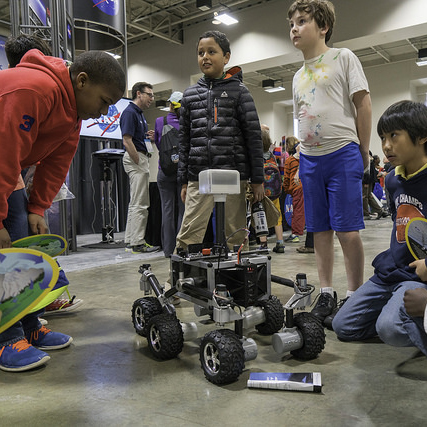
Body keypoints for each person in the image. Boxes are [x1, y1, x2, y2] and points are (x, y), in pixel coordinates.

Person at [0, 47, 126, 372]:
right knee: (5, 245)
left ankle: (29, 325)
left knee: (20, 238)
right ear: (82, 81)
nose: (104, 112)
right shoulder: (34, 89)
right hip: (2, 159)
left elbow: (57, 164)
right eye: (104, 102)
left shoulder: (73, 114)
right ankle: (5, 338)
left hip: (7, 164)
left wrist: (38, 207)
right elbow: (4, 155)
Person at [288, 0, 372, 327]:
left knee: (347, 230)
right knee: (318, 230)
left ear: (323, 27)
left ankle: (354, 294)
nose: (294, 27)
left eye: (302, 21)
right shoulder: (296, 77)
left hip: (342, 153)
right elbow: (302, 119)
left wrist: (362, 150)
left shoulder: (343, 58)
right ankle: (326, 292)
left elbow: (362, 104)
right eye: (291, 23)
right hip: (309, 159)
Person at [333, 100, 427, 356]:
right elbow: (399, 223)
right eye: (383, 137)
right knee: (343, 326)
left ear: (421, 136)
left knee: (391, 329)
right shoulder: (393, 179)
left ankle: (410, 315)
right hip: (393, 270)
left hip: (420, 275)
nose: (386, 145)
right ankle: (398, 311)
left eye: (394, 136)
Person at [176, 30, 264, 252]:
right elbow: (184, 141)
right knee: (188, 233)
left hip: (233, 175)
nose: (205, 57)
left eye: (211, 52)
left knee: (234, 233)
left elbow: (253, 137)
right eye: (200, 52)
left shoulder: (240, 92)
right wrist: (184, 181)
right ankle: (179, 282)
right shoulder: (189, 96)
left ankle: (235, 284)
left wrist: (257, 180)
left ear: (226, 57)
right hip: (199, 176)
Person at [120, 82, 160, 254]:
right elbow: (127, 140)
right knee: (141, 204)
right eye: (149, 95)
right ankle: (137, 242)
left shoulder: (139, 114)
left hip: (140, 157)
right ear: (138, 94)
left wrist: (148, 138)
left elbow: (134, 138)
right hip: (136, 159)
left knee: (136, 202)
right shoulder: (130, 112)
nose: (152, 98)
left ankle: (131, 241)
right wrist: (137, 159)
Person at [154, 91, 185, 258]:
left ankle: (167, 250)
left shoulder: (160, 121)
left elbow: (160, 146)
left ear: (171, 104)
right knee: (183, 211)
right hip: (182, 171)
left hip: (164, 171)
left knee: (167, 211)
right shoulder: (187, 123)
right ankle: (180, 248)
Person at [258, 129, 286, 253]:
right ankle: (280, 243)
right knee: (277, 215)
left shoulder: (256, 156)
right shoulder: (272, 156)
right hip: (274, 192)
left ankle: (263, 244)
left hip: (261, 192)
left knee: (260, 215)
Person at [283, 136, 305, 244]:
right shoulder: (305, 159)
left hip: (296, 188)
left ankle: (295, 234)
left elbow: (286, 178)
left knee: (297, 211)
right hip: (306, 187)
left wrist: (287, 190)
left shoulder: (290, 161)